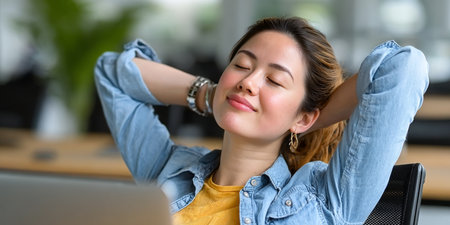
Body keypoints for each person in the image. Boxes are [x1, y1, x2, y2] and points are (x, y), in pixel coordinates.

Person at [94, 17, 428, 225]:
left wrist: (310, 119)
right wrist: (212, 95)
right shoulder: (168, 168)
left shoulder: (326, 201)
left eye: (275, 80)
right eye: (241, 65)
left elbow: (403, 68)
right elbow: (112, 72)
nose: (249, 82)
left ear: (304, 116)